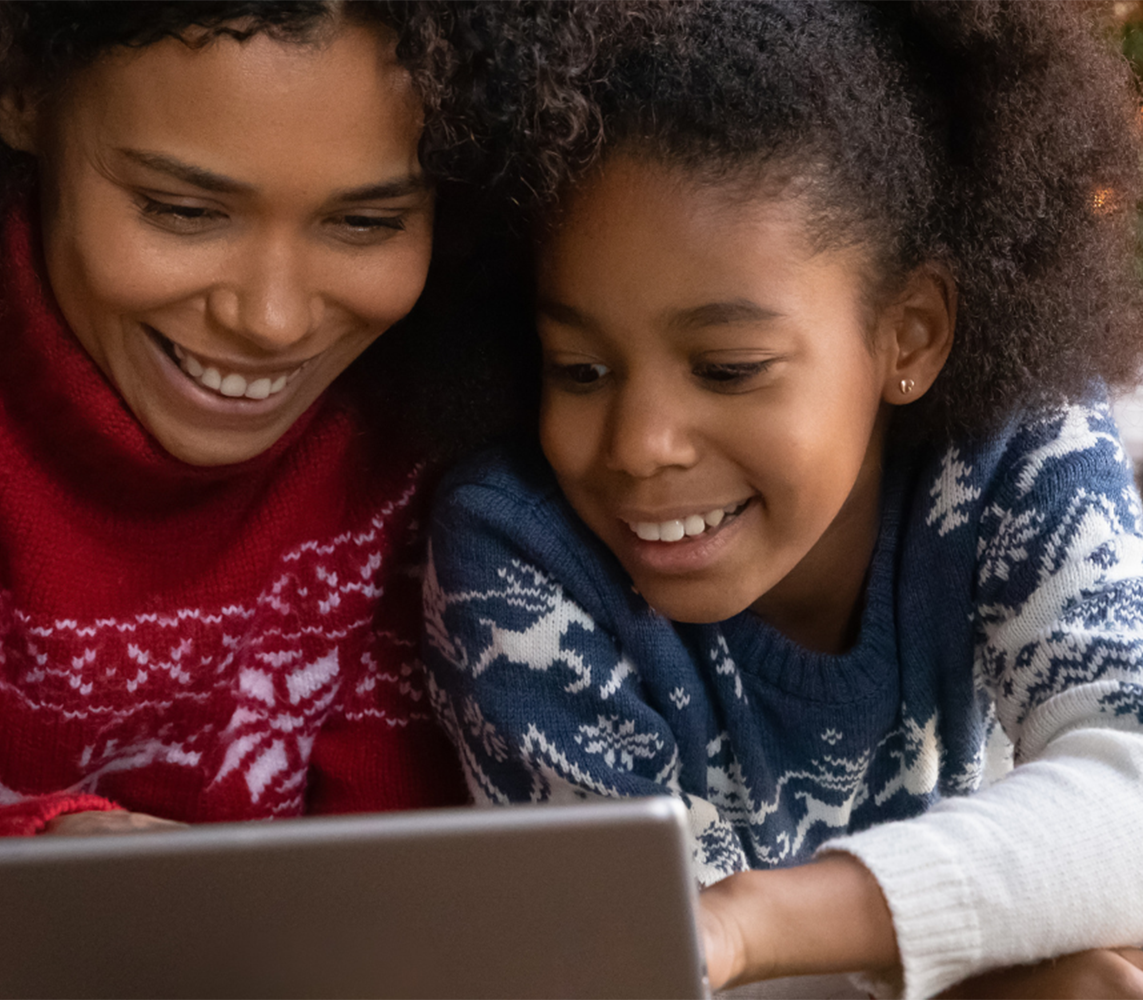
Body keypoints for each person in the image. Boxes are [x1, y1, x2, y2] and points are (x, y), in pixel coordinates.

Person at [0, 0, 526, 991]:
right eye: (183, 211)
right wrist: (61, 860)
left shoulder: (445, 397)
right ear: (19, 92)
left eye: (366, 222)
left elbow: (397, 911)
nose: (270, 318)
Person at [422, 0, 1143, 996]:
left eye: (726, 368)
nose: (639, 447)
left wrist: (752, 920)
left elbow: (1132, 786)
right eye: (579, 369)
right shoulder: (515, 561)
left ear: (910, 335)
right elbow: (633, 963)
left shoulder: (1012, 443)